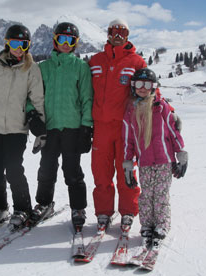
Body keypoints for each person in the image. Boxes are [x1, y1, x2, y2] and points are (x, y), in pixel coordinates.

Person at [0, 24, 45, 231]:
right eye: (14, 43)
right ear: (6, 43)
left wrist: (41, 131)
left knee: (14, 170)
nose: (18, 48)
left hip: (16, 129)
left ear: (28, 46)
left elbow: (37, 99)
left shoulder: (31, 69)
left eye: (23, 44)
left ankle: (22, 209)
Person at [29, 22, 93, 231]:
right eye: (62, 40)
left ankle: (78, 208)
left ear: (75, 44)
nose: (66, 44)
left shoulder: (80, 67)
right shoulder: (43, 67)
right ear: (55, 41)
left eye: (71, 41)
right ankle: (44, 203)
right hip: (50, 127)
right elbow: (32, 96)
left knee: (72, 170)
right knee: (46, 169)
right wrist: (34, 118)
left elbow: (86, 98)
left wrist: (86, 127)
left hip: (72, 128)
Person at [88, 19, 146, 230]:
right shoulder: (95, 61)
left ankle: (128, 212)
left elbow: (148, 89)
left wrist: (170, 113)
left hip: (125, 128)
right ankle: (103, 213)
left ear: (128, 35)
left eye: (122, 31)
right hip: (101, 127)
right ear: (108, 33)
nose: (118, 35)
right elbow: (83, 92)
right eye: (114, 30)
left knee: (126, 172)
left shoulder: (136, 62)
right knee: (101, 172)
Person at [122, 68, 187, 249]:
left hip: (164, 161)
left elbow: (174, 133)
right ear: (134, 87)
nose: (143, 88)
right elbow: (128, 141)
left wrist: (181, 154)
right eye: (139, 84)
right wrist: (128, 166)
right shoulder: (130, 111)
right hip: (144, 163)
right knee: (146, 195)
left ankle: (162, 224)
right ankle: (147, 225)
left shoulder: (161, 107)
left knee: (160, 195)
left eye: (148, 85)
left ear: (154, 87)